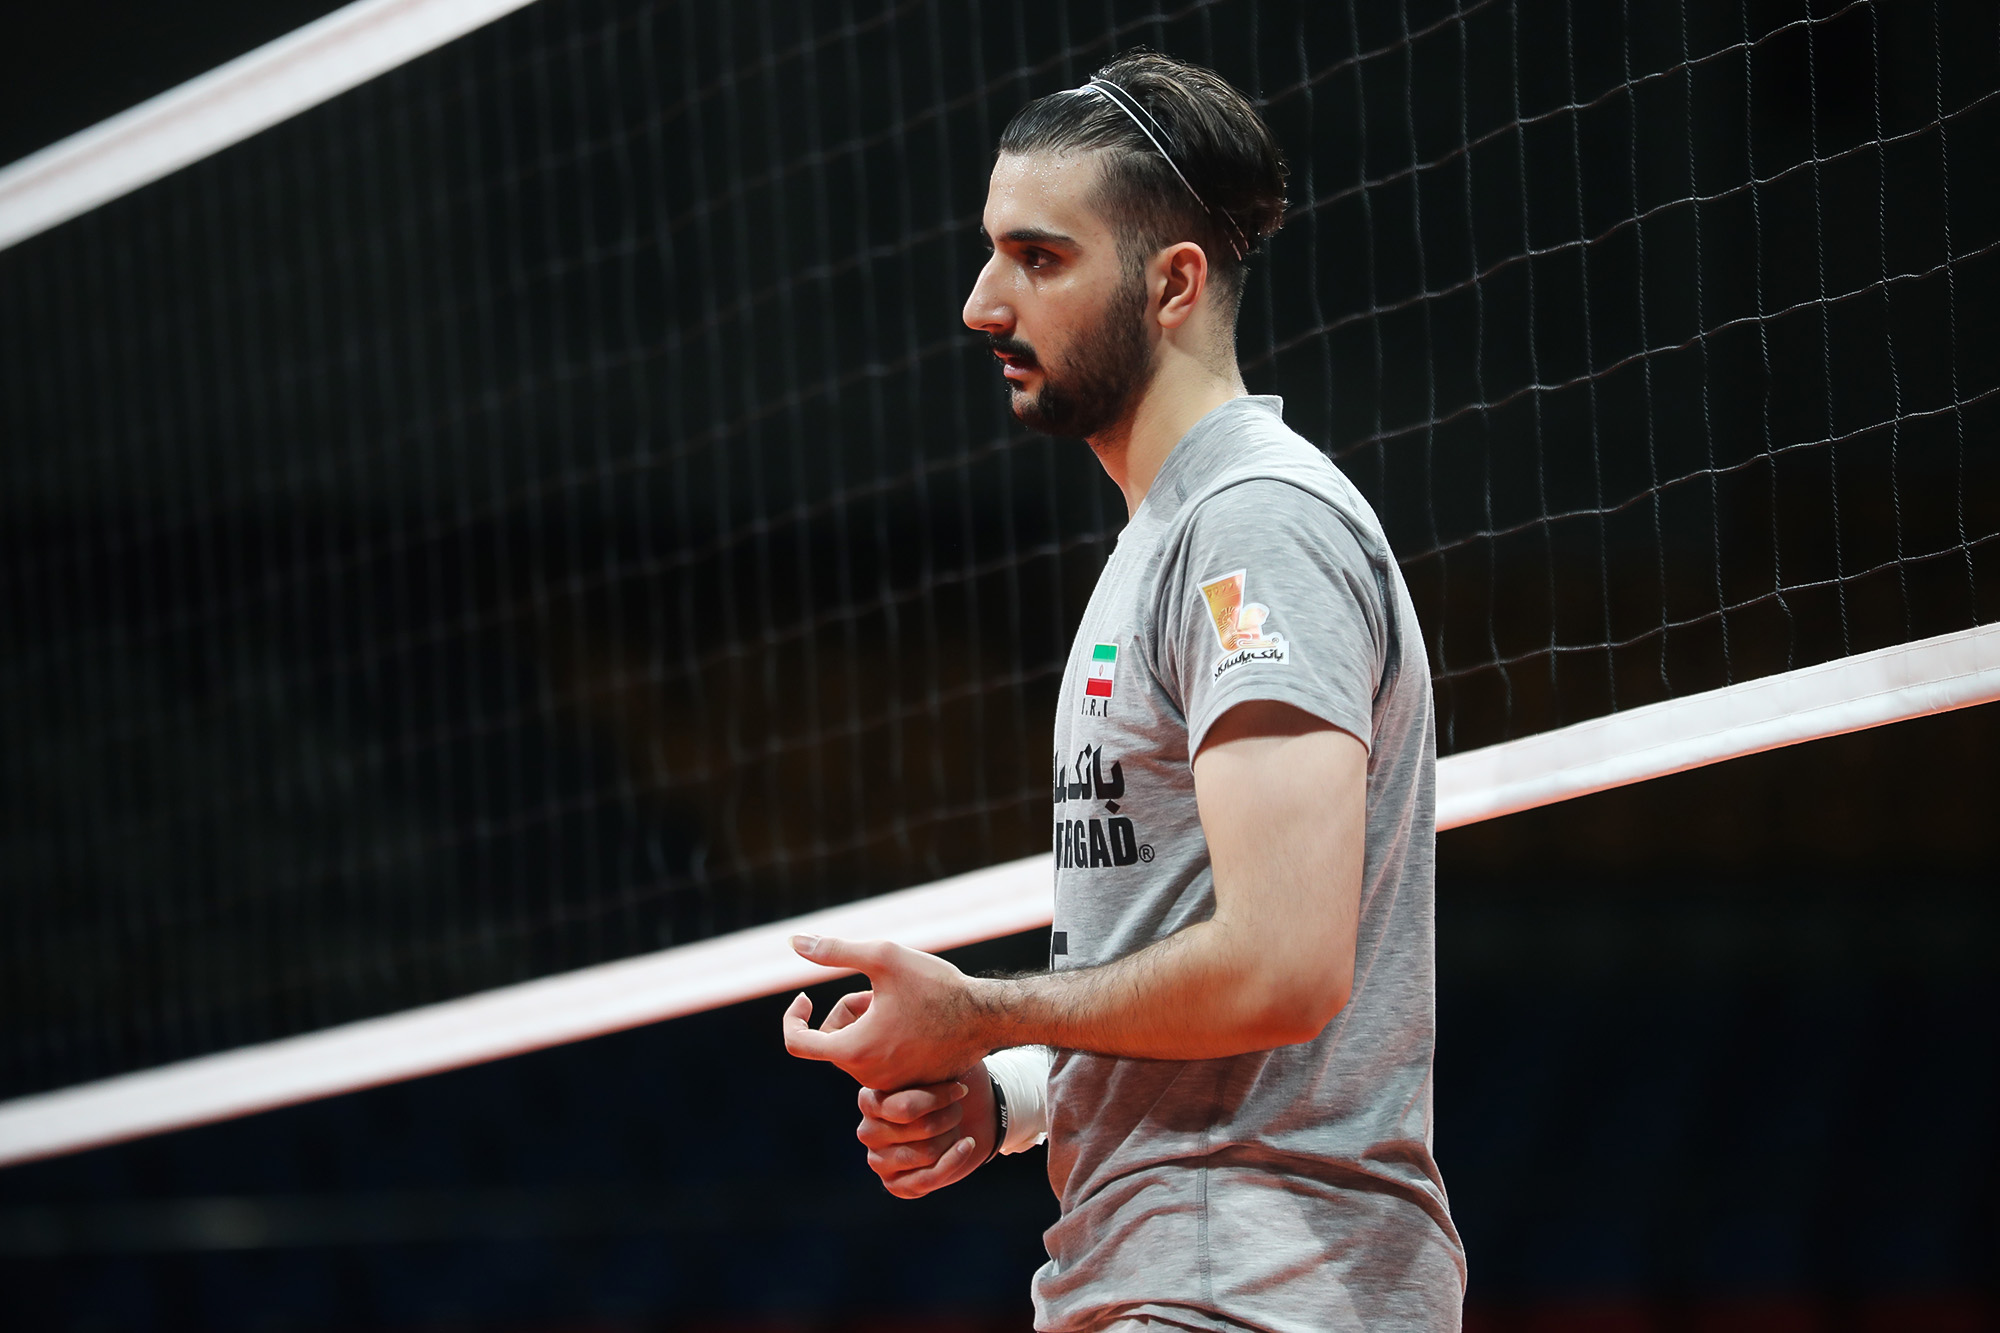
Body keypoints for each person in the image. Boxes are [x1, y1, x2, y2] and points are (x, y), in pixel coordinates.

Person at [782, 49, 1465, 1332]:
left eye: (1038, 258)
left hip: (1247, 1285)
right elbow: (1186, 969)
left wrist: (981, 1012)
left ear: (1171, 284)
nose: (981, 303)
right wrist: (1009, 1094)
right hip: (1178, 1274)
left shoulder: (1252, 525)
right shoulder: (1168, 535)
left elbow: (1281, 966)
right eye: (990, 252)